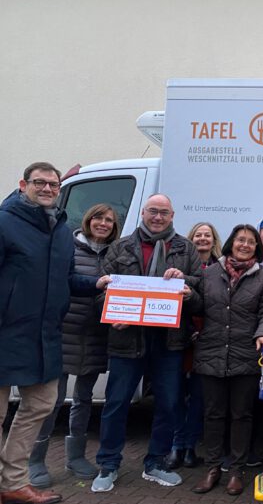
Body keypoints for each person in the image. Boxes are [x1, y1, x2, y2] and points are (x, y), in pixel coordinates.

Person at [0, 162, 106, 504]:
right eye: (40, 183)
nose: (47, 189)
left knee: (43, 403)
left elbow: (66, 279)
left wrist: (97, 283)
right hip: (5, 332)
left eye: (53, 185)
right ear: (23, 184)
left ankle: (12, 482)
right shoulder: (4, 223)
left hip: (45, 335)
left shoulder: (61, 229)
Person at [91, 194, 202, 492]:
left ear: (172, 215)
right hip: (128, 339)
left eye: (163, 212)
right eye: (153, 211)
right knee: (116, 404)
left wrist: (188, 292)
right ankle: (109, 464)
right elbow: (101, 289)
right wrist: (111, 311)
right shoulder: (122, 246)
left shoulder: (186, 248)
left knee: (167, 404)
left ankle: (155, 462)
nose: (157, 217)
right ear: (143, 212)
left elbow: (200, 297)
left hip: (169, 342)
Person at [29, 204, 121, 488]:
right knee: (51, 400)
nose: (103, 224)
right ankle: (35, 459)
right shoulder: (67, 246)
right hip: (64, 332)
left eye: (109, 220)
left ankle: (76, 456)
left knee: (84, 398)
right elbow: (61, 281)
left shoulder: (115, 254)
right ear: (88, 220)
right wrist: (96, 283)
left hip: (95, 335)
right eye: (98, 218)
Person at [189, 224, 263, 496]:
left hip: (245, 354)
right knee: (213, 414)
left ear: (257, 247)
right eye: (241, 239)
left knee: (242, 415)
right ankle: (213, 468)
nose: (245, 244)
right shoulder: (211, 273)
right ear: (231, 242)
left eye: (251, 242)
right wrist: (187, 295)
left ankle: (237, 469)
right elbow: (198, 306)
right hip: (212, 351)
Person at [166, 222, 222, 470]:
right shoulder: (179, 266)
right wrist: (189, 331)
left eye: (207, 235)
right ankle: (177, 445)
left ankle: (190, 447)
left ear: (214, 240)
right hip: (180, 339)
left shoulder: (220, 267)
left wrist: (204, 332)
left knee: (199, 398)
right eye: (197, 234)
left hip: (207, 341)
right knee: (176, 396)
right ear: (191, 238)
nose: (202, 239)